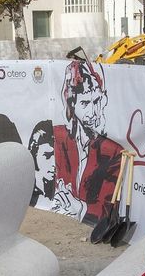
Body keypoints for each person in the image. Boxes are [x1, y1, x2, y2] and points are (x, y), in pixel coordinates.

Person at [52, 58, 124, 223]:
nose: (93, 112)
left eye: (97, 101)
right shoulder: (58, 137)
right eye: (85, 103)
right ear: (71, 103)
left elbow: (107, 207)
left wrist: (80, 208)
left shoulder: (113, 151)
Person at [27, 120, 79, 216]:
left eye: (59, 157)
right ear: (34, 153)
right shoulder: (25, 191)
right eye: (47, 156)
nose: (54, 165)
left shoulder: (66, 190)